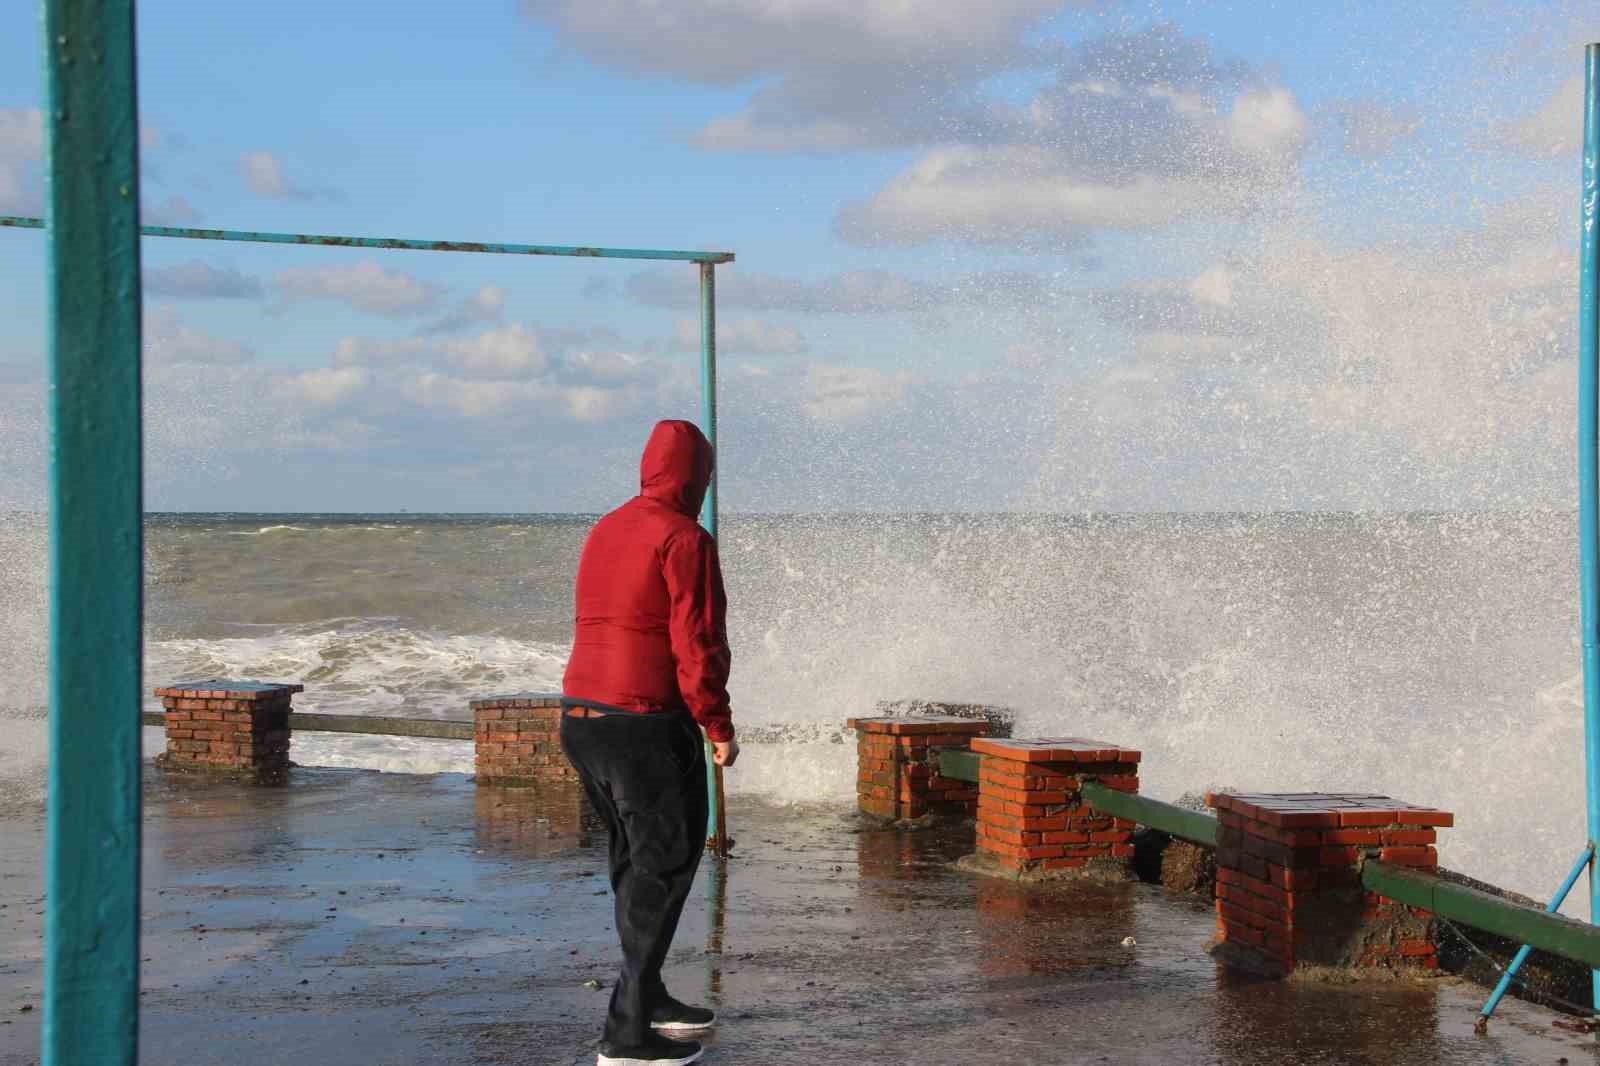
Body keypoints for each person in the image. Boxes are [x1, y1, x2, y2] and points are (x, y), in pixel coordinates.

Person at [560, 419, 739, 1066]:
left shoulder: (607, 527)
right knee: (664, 863)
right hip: (643, 721)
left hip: (581, 718)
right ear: (695, 475)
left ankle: (652, 994)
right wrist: (716, 725)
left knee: (634, 864)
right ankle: (626, 1036)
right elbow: (697, 644)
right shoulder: (685, 537)